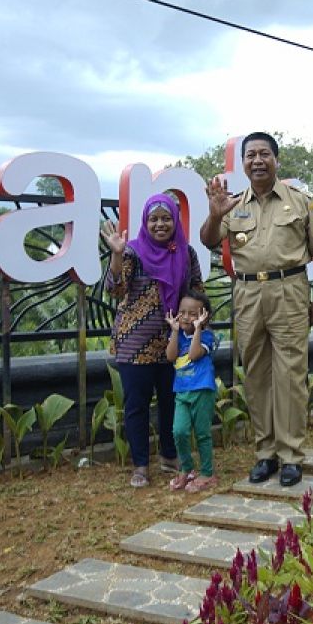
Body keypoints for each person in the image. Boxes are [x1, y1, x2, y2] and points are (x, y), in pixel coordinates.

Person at [200, 131, 313, 487]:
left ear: (276, 160)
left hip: (288, 289)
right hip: (247, 293)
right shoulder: (233, 203)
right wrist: (215, 215)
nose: (257, 160)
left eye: (264, 154)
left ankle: (291, 455)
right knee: (256, 373)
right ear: (243, 163)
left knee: (290, 373)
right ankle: (265, 453)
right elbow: (209, 239)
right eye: (250, 155)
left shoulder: (300, 201)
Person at [101, 193, 203, 488]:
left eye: (166, 218)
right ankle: (141, 465)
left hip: (173, 342)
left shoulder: (186, 252)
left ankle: (170, 456)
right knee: (137, 405)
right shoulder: (131, 252)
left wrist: (195, 322)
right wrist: (117, 255)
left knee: (173, 400)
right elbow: (115, 290)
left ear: (175, 220)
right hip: (135, 343)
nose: (160, 224)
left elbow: (196, 289)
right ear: (145, 222)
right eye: (154, 219)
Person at [164, 291, 219, 493]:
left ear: (205, 316)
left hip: (202, 390)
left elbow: (195, 355)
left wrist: (197, 330)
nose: (186, 317)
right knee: (179, 431)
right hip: (182, 391)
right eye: (182, 312)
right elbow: (170, 356)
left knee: (203, 433)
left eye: (192, 313)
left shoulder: (208, 336)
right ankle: (186, 469)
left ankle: (207, 473)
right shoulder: (177, 335)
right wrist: (174, 331)